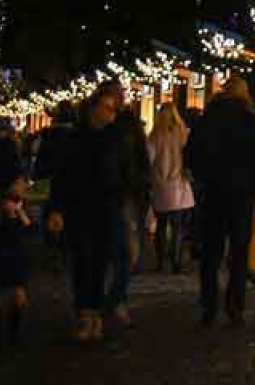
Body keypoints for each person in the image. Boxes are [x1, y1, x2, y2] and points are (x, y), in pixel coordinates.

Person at [45, 89, 136, 343]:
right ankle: (86, 314)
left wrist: (124, 199)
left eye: (113, 109)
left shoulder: (117, 138)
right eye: (107, 108)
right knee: (82, 261)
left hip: (107, 209)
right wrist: (57, 208)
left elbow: (128, 172)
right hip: (79, 209)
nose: (111, 114)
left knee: (99, 263)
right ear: (92, 109)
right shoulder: (74, 139)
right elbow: (61, 177)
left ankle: (95, 313)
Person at [185, 78, 255, 326]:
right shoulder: (250, 120)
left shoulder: (209, 119)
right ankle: (235, 306)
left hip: (214, 191)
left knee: (211, 252)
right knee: (239, 252)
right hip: (241, 194)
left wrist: (203, 179)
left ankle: (209, 305)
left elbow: (192, 154)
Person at [97, 81, 151, 323]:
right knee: (106, 252)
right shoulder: (96, 125)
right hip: (103, 195)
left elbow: (141, 157)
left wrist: (140, 184)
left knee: (128, 253)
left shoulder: (128, 124)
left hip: (126, 194)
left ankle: (114, 299)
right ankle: (101, 303)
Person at [0, 174, 32, 351]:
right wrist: (13, 217)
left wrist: (20, 213)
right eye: (19, 182)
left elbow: (30, 229)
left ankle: (12, 336)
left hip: (15, 257)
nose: (24, 186)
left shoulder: (20, 204)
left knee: (17, 297)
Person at [147, 102, 194, 274]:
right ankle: (176, 261)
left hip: (161, 185)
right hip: (179, 185)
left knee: (161, 225)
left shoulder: (155, 136)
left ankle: (160, 261)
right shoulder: (183, 134)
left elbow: (149, 159)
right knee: (178, 227)